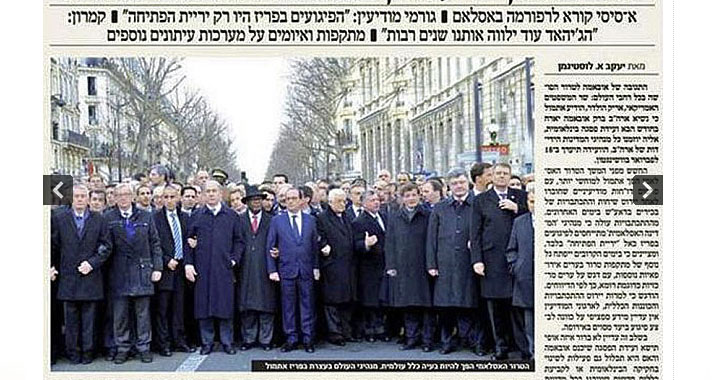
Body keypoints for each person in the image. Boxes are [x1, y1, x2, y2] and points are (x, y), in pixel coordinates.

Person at [470, 163, 528, 360]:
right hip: (491, 260)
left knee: (518, 307)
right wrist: (477, 260)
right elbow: (475, 233)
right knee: (495, 308)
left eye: (506, 173)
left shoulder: (520, 196)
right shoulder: (482, 200)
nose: (502, 177)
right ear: (491, 176)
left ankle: (523, 348)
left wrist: (517, 208)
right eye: (498, 173)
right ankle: (500, 348)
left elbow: (533, 217)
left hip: (517, 259)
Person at [104, 183, 163, 364]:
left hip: (142, 271)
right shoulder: (108, 217)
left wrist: (158, 268)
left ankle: (143, 347)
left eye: (126, 194)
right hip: (118, 272)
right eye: (119, 195)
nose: (122, 198)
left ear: (132, 197)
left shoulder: (146, 216)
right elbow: (105, 245)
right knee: (120, 315)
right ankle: (122, 347)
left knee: (142, 314)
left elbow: (155, 243)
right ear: (114, 197)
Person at [51, 184, 111, 364]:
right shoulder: (59, 218)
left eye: (83, 196)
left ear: (88, 199)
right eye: (76, 196)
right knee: (70, 320)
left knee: (89, 319)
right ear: (70, 198)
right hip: (68, 278)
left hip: (90, 277)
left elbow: (106, 246)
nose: (79, 199)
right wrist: (51, 266)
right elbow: (53, 246)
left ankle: (87, 352)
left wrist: (92, 263)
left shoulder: (99, 219)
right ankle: (73, 352)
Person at [184, 180, 244, 355]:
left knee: (225, 305)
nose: (210, 194)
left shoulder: (231, 215)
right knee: (204, 306)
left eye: (214, 191)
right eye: (207, 191)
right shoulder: (197, 215)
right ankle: (207, 342)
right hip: (202, 268)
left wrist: (233, 260)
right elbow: (188, 241)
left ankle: (227, 342)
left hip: (223, 268)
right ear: (202, 195)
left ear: (220, 194)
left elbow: (239, 241)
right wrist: (188, 264)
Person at [426, 167, 479, 355]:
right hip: (445, 262)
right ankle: (447, 342)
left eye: (462, 182)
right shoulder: (440, 208)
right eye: (455, 183)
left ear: (468, 183)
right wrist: (431, 264)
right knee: (446, 306)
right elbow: (431, 238)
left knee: (469, 304)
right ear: (449, 186)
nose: (458, 186)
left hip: (468, 262)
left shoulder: (477, 204)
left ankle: (472, 341)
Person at [266, 188, 321, 353]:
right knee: (288, 307)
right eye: (287, 198)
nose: (290, 201)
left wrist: (316, 267)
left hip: (306, 270)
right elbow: (270, 246)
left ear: (301, 200)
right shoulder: (277, 221)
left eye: (294, 198)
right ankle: (291, 338)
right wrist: (272, 269)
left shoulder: (310, 220)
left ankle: (308, 338)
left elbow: (314, 246)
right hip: (286, 270)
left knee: (307, 305)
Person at [384, 183, 435, 352]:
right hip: (403, 267)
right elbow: (389, 242)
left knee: (426, 306)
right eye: (407, 196)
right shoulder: (395, 217)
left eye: (414, 195)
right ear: (402, 198)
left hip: (423, 265)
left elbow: (433, 241)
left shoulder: (428, 215)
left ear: (419, 196)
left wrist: (432, 264)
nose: (411, 198)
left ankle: (427, 340)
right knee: (408, 305)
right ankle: (411, 338)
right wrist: (391, 265)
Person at [151, 185, 195, 356]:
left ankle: (179, 340)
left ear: (178, 198)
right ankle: (164, 344)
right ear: (162, 198)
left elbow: (187, 241)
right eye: (166, 197)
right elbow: (153, 243)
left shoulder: (184, 217)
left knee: (179, 308)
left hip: (181, 269)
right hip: (165, 269)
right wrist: (165, 260)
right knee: (162, 309)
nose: (169, 200)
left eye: (172, 197)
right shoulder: (155, 218)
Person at [236, 186, 277, 351]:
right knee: (247, 306)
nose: (257, 202)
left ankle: (266, 340)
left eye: (259, 199)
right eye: (254, 200)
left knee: (266, 305)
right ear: (247, 202)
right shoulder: (239, 220)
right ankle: (249, 339)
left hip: (264, 266)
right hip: (245, 268)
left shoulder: (271, 219)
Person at [316, 189, 357, 346]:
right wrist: (323, 246)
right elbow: (318, 237)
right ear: (330, 202)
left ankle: (346, 331)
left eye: (344, 201)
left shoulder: (346, 217)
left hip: (348, 265)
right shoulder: (322, 218)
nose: (343, 204)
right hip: (332, 265)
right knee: (332, 302)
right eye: (339, 201)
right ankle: (335, 333)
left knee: (346, 301)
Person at [351, 189, 389, 343]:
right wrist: (365, 244)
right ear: (364, 203)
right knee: (370, 301)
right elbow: (355, 244)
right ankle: (370, 330)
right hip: (368, 267)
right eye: (372, 200)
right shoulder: (359, 222)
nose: (376, 202)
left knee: (381, 300)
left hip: (384, 264)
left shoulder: (385, 217)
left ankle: (381, 329)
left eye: (377, 199)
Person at [506, 183, 535, 361]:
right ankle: (534, 353)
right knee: (530, 320)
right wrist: (516, 266)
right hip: (525, 278)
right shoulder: (520, 222)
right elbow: (511, 249)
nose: (535, 205)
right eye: (531, 201)